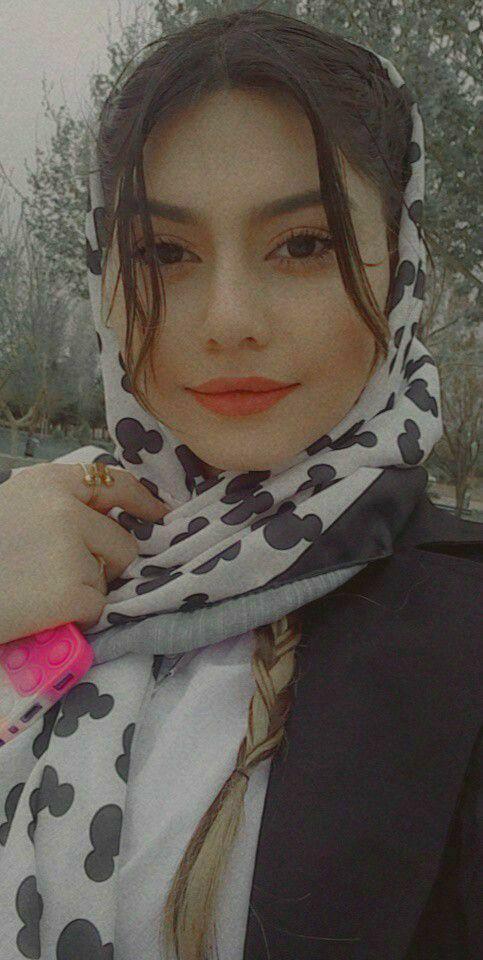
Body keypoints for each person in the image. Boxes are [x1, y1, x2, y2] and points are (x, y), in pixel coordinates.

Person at [0, 8, 481, 960]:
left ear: (401, 267)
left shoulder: (460, 638)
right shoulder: (43, 543)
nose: (227, 319)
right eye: (163, 253)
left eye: (303, 244)